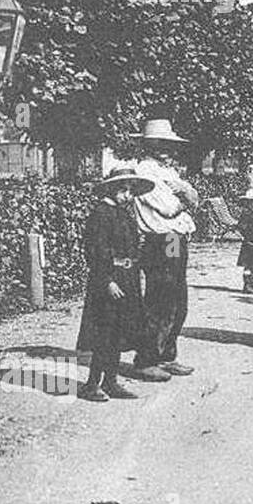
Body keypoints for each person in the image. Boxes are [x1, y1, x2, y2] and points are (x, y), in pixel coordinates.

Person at [76, 167, 154, 403]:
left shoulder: (124, 214)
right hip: (108, 279)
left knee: (119, 331)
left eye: (130, 191)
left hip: (127, 278)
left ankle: (111, 381)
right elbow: (95, 250)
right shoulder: (101, 213)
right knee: (105, 332)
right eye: (123, 190)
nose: (127, 195)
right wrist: (106, 280)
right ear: (111, 188)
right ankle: (91, 384)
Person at [130, 117, 197, 381]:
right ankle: (145, 359)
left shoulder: (169, 172)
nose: (166, 149)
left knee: (178, 300)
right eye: (160, 143)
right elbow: (168, 208)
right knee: (160, 298)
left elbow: (194, 197)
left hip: (176, 238)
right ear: (148, 145)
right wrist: (185, 197)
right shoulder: (144, 171)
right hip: (161, 239)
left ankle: (167, 355)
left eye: (169, 144)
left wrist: (185, 194)